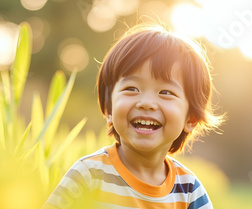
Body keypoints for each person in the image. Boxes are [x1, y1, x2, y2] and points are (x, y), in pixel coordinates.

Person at [43, 23, 223, 209]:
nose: (146, 102)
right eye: (132, 88)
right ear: (109, 109)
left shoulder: (188, 191)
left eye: (165, 92)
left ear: (191, 118)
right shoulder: (90, 175)